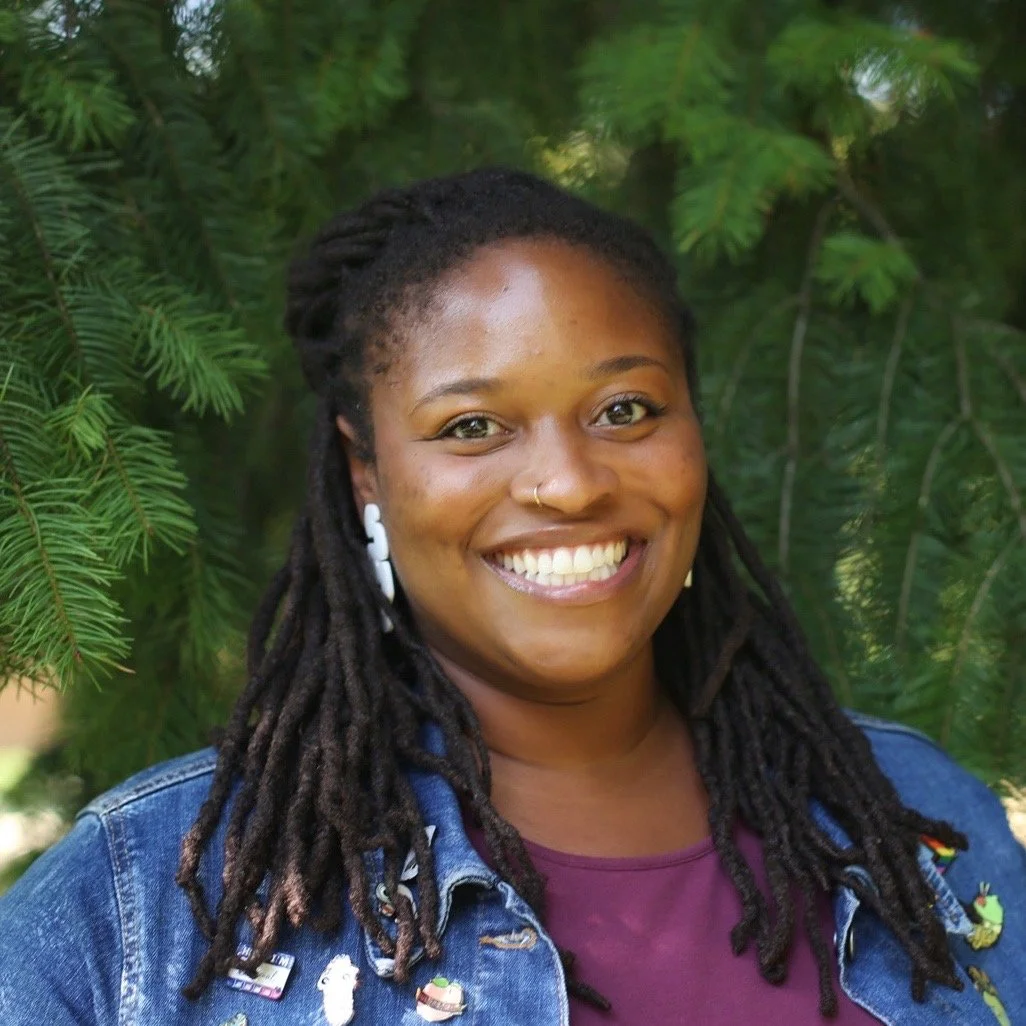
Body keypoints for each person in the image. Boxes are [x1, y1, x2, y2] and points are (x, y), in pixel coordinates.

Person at [0, 168, 1022, 1026]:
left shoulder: (919, 821)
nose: (571, 484)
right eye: (473, 428)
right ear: (367, 474)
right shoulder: (145, 901)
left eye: (625, 410)